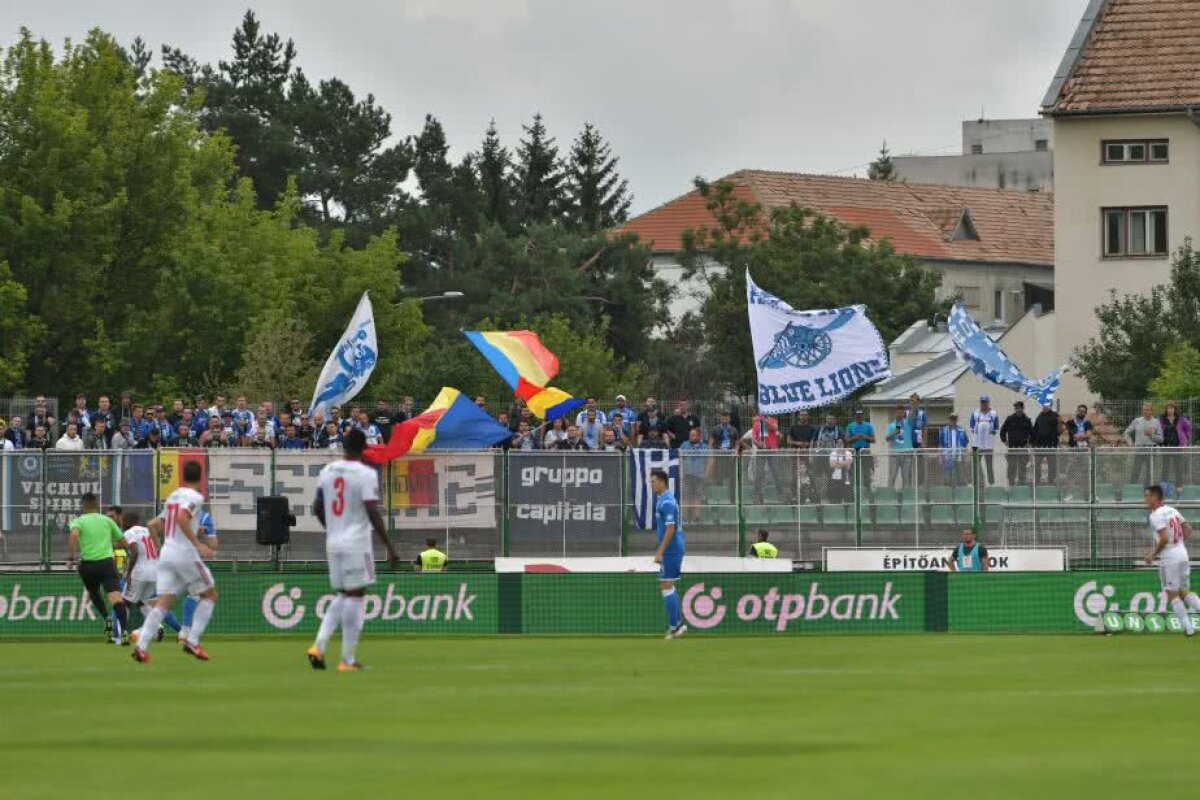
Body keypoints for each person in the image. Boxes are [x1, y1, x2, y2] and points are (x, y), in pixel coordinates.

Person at [306, 429, 399, 671]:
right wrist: (388, 546)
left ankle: (319, 645)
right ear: (364, 448)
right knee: (356, 596)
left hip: (333, 542)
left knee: (343, 594)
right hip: (356, 542)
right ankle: (347, 659)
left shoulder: (327, 470)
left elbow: (316, 507)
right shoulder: (365, 473)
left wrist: (333, 529)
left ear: (344, 446)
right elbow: (371, 510)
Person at [131, 460, 218, 663]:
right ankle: (192, 641)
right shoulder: (196, 497)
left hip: (167, 554)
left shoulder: (173, 496)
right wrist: (197, 544)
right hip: (184, 553)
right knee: (210, 595)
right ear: (202, 477)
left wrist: (161, 548)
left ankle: (141, 646)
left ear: (182, 476)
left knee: (164, 602)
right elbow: (182, 517)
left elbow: (153, 524)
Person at [67, 493, 132, 644]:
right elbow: (124, 542)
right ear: (96, 505)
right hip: (107, 564)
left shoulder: (79, 521)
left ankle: (106, 618)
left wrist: (71, 558)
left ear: (83, 505)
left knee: (94, 593)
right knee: (116, 598)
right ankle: (124, 632)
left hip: (88, 565)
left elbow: (73, 536)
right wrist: (109, 545)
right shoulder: (107, 521)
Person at [1144, 484, 1200, 636]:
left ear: (1155, 497)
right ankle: (1189, 627)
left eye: (1147, 496)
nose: (1145, 500)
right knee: (1184, 591)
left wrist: (1153, 554)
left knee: (1172, 593)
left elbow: (1164, 538)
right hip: (1182, 553)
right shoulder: (1172, 510)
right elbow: (1188, 528)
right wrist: (1179, 543)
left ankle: (1188, 629)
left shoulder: (1155, 515)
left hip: (1170, 558)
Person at [121, 511, 183, 641]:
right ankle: (158, 626)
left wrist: (128, 572)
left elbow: (135, 552)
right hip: (155, 573)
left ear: (126, 523)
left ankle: (123, 634)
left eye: (122, 522)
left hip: (139, 573)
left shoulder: (129, 533)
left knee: (124, 603)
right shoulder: (149, 531)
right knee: (142, 603)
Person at [651, 469, 687, 640]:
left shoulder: (667, 503)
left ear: (662, 482)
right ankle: (678, 624)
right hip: (671, 548)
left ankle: (674, 628)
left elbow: (670, 529)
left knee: (665, 584)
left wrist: (660, 551)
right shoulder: (663, 500)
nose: (651, 484)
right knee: (668, 585)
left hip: (672, 549)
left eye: (653, 481)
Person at [1125, 402, 1163, 486]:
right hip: (1140, 449)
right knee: (1135, 471)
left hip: (1152, 449)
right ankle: (1132, 490)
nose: (1145, 411)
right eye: (1143, 410)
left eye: (1147, 409)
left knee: (1150, 472)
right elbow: (1126, 433)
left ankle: (1147, 492)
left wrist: (1151, 435)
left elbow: (1161, 439)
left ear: (1151, 411)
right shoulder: (1137, 421)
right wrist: (1130, 444)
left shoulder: (1156, 422)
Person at [1000, 401, 1033, 485]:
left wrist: (1028, 443)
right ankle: (1011, 486)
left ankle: (1021, 485)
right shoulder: (1010, 419)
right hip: (1012, 448)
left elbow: (1033, 434)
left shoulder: (1027, 420)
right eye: (1016, 408)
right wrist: (1005, 441)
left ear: (1022, 408)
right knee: (1011, 468)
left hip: (1023, 448)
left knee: (1022, 468)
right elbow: (1002, 431)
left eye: (1018, 408)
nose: (1017, 410)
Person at [1160, 402, 1192, 491]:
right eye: (1168, 408)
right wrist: (1160, 443)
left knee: (1178, 467)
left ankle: (1179, 487)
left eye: (1172, 408)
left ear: (1175, 409)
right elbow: (1158, 431)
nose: (1170, 409)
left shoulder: (1181, 419)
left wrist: (1185, 440)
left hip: (1178, 447)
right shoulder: (1162, 419)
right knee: (1165, 468)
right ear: (1166, 410)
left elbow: (1189, 429)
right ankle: (1163, 487)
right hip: (1165, 447)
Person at [968, 395, 999, 487]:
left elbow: (996, 427)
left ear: (988, 402)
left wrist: (990, 432)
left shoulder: (993, 413)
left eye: (985, 402)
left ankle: (991, 484)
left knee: (989, 465)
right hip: (977, 444)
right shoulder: (975, 413)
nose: (983, 404)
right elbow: (971, 426)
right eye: (982, 402)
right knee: (974, 464)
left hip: (988, 444)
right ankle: (973, 482)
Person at [884, 406, 914, 491]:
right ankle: (889, 495)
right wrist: (894, 432)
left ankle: (907, 496)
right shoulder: (891, 425)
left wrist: (913, 404)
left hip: (907, 453)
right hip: (895, 453)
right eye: (898, 412)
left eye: (901, 412)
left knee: (906, 476)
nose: (899, 414)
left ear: (904, 413)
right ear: (895, 413)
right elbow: (887, 438)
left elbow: (912, 414)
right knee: (892, 475)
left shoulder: (908, 423)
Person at [1031, 403, 1062, 485]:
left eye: (1047, 404)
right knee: (1037, 465)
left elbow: (1059, 432)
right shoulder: (1039, 417)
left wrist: (1059, 422)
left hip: (1051, 445)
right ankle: (1037, 482)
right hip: (1039, 446)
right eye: (1044, 405)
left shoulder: (1055, 416)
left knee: (1052, 466)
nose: (1045, 406)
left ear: (1051, 405)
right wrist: (1032, 443)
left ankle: (1051, 482)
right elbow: (1035, 431)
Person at [846, 410, 875, 487]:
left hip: (865, 450)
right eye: (858, 415)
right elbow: (847, 439)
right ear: (855, 416)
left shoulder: (868, 426)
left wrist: (865, 437)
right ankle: (854, 490)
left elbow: (873, 440)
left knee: (867, 472)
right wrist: (855, 438)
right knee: (853, 471)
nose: (859, 417)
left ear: (863, 416)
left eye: (861, 415)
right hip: (854, 451)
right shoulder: (850, 426)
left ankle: (868, 490)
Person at [939, 413, 970, 486]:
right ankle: (947, 494)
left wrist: (965, 456)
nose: (953, 420)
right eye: (951, 419)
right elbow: (941, 444)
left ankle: (961, 493)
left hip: (959, 457)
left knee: (960, 476)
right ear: (949, 420)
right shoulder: (944, 430)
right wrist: (941, 456)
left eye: (954, 419)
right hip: (947, 457)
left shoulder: (961, 430)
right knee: (947, 477)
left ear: (956, 420)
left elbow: (965, 444)